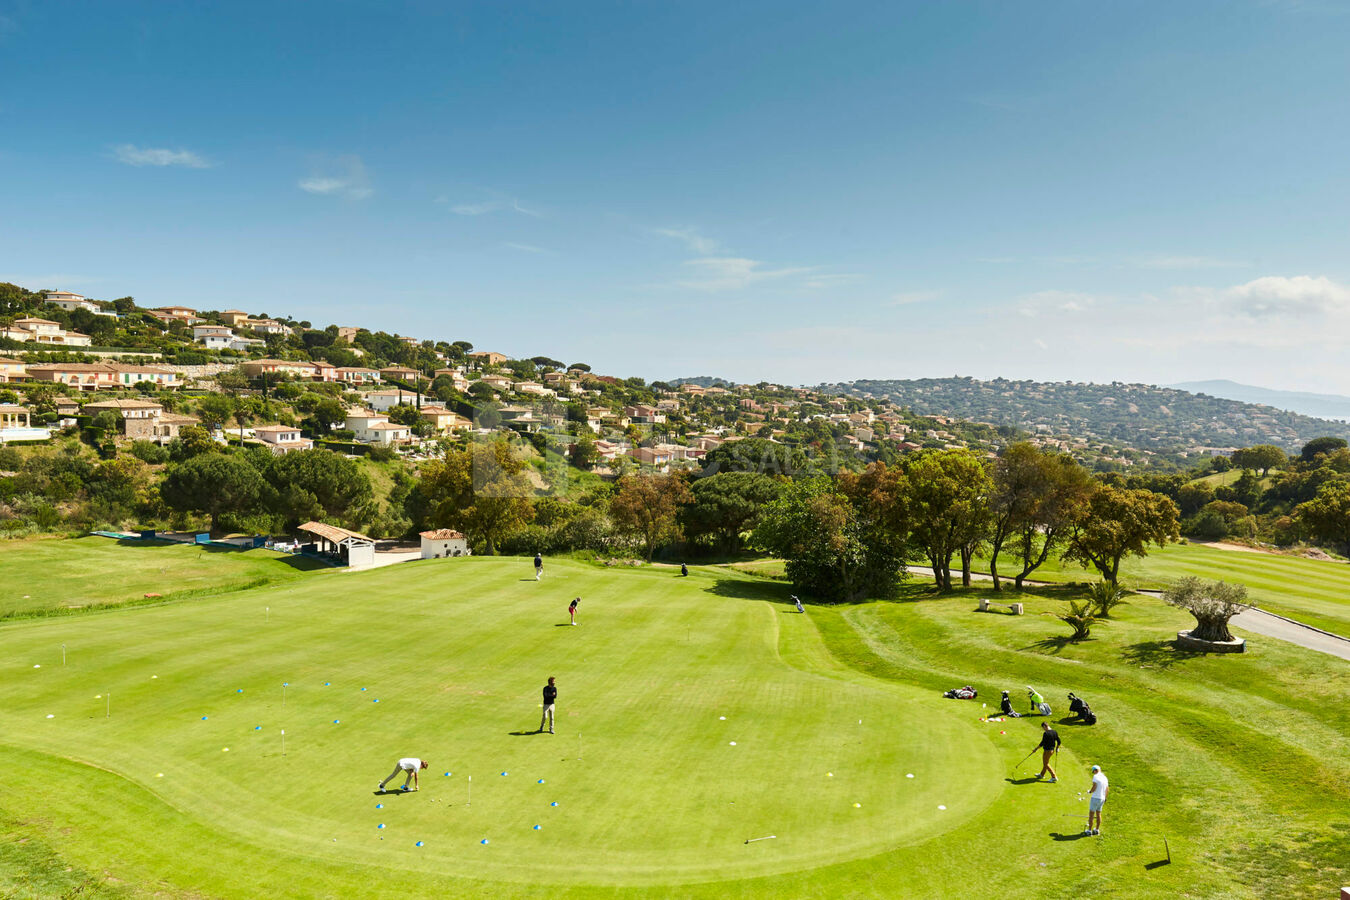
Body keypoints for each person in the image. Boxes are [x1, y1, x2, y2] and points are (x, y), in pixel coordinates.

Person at [1085, 764, 1109, 835]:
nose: (1093, 773)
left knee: (1091, 814)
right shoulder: (1105, 777)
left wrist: (1090, 791)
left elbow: (1094, 786)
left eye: (1093, 771)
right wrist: (1105, 798)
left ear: (1095, 770)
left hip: (1095, 798)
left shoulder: (1095, 776)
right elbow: (1107, 789)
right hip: (1102, 798)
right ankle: (1097, 830)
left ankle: (1089, 831)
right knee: (1098, 813)